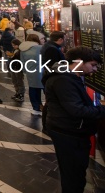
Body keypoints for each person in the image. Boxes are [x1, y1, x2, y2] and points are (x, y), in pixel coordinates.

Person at [43, 46, 105, 193]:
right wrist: (102, 110)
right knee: (73, 175)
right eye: (93, 65)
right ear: (78, 62)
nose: (95, 69)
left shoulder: (69, 75)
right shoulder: (63, 80)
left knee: (75, 172)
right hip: (69, 133)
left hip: (69, 130)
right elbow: (76, 110)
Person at [20, 33, 43, 114]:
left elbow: (22, 61)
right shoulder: (40, 48)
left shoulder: (23, 48)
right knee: (45, 89)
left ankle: (36, 107)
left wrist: (25, 71)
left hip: (30, 71)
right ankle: (45, 106)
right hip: (41, 70)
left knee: (33, 88)